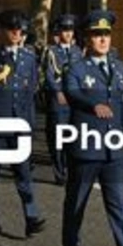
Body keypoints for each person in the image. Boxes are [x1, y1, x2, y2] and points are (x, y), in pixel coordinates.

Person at [61, 9, 123, 246]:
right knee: (77, 201)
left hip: (113, 148)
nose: (103, 40)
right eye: (97, 35)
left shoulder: (120, 67)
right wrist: (92, 104)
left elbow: (122, 105)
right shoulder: (75, 67)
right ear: (86, 39)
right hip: (87, 146)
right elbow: (72, 93)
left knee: (119, 204)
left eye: (106, 35)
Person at [0, 10, 45, 236]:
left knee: (23, 172)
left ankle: (31, 217)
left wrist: (30, 123)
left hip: (20, 122)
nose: (17, 34)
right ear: (2, 31)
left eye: (21, 30)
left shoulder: (29, 57)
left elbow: (31, 91)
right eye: (12, 30)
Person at [42, 14, 80, 185]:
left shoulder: (78, 51)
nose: (68, 34)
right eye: (65, 30)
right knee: (57, 136)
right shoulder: (51, 52)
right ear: (60, 32)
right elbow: (49, 75)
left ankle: (69, 166)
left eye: (71, 30)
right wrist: (58, 92)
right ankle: (59, 171)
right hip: (58, 99)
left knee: (72, 136)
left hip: (75, 99)